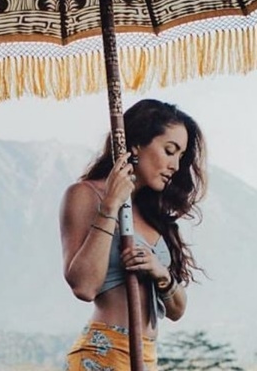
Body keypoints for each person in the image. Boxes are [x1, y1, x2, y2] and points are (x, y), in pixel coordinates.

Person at [60, 99, 207, 371]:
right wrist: (111, 205)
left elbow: (176, 311)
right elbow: (84, 287)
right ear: (137, 144)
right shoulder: (85, 195)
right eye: (169, 150)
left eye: (180, 155)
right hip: (103, 356)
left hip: (146, 357)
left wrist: (160, 273)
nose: (175, 165)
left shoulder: (153, 213)